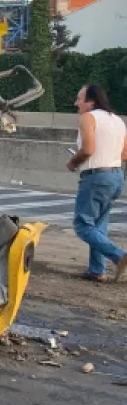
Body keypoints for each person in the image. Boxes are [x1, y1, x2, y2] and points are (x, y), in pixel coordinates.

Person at [66, 84, 127, 282]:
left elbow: (88, 149)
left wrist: (73, 162)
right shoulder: (118, 120)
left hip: (96, 177)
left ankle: (119, 256)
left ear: (91, 102)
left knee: (83, 225)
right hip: (116, 175)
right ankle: (96, 270)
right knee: (99, 224)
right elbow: (124, 154)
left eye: (79, 99)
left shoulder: (88, 117)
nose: (77, 104)